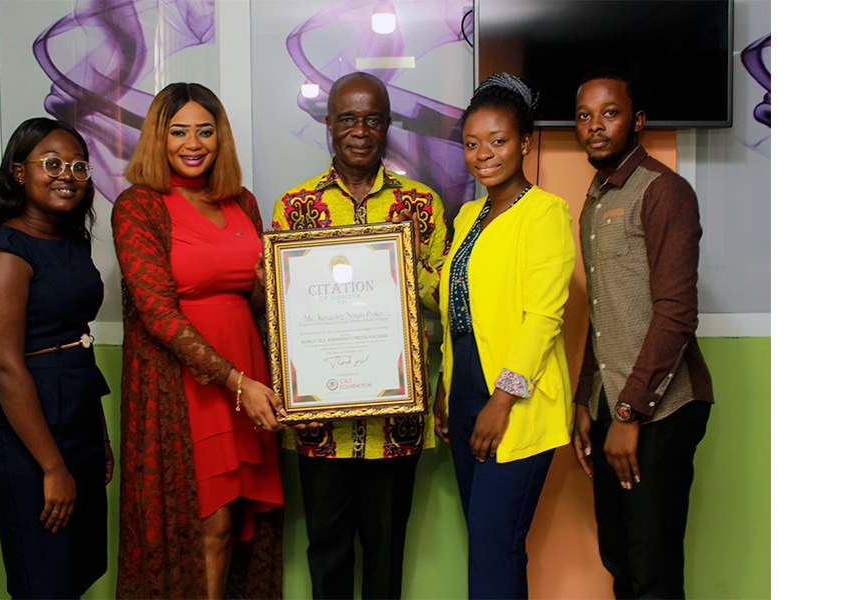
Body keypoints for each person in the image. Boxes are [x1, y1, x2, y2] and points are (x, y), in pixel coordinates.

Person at [270, 71, 447, 599]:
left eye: (372, 119)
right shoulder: (293, 206)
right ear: (329, 124)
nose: (360, 130)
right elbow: (284, 310)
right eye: (348, 118)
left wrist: (405, 264)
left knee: (385, 551)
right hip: (320, 416)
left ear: (387, 125)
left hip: (396, 416)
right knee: (327, 551)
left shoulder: (422, 205)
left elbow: (442, 295)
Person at [111, 82, 285, 600]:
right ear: (158, 138)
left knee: (237, 526)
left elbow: (255, 304)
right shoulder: (138, 206)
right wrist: (237, 383)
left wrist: (264, 285)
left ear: (220, 137)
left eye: (205, 131)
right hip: (189, 388)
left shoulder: (243, 201)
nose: (193, 143)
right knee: (210, 526)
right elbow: (157, 314)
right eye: (179, 131)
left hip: (247, 377)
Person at [0, 117, 114, 599]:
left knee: (77, 570)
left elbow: (77, 342)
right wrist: (53, 468)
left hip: (77, 421)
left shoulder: (71, 241)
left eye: (78, 166)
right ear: (20, 172)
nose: (68, 175)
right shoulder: (5, 249)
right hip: (28, 439)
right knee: (44, 580)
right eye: (52, 163)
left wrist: (100, 436)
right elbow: (3, 366)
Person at [571, 67, 715, 599]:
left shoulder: (664, 191)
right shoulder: (595, 199)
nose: (595, 126)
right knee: (620, 559)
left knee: (651, 569)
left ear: (637, 120)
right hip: (610, 403)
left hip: (661, 409)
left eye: (609, 113)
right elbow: (603, 313)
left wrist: (629, 413)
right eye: (584, 115)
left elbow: (676, 314)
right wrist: (586, 400)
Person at [432, 73, 576, 599]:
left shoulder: (545, 214)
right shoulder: (469, 214)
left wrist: (500, 400)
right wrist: (446, 387)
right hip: (464, 391)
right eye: (472, 144)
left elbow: (543, 319)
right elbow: (458, 310)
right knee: (486, 545)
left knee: (496, 547)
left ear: (525, 143)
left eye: (498, 141)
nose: (484, 154)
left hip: (514, 400)